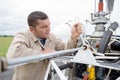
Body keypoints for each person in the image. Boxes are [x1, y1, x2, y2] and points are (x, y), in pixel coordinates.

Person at [6, 11, 82, 80]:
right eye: (44, 27)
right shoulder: (23, 36)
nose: (49, 29)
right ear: (32, 29)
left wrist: (73, 37)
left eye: (49, 25)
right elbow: (13, 53)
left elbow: (65, 50)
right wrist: (42, 54)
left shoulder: (51, 37)